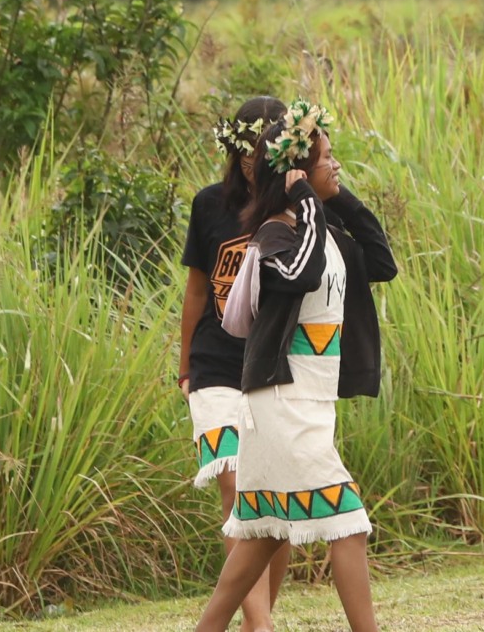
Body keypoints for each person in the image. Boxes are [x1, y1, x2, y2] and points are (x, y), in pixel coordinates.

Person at [193, 101, 396, 632]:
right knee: (347, 519)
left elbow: (381, 261)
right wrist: (305, 197)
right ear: (297, 174)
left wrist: (334, 198)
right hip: (280, 403)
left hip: (310, 400)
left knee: (260, 534)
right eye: (326, 158)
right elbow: (302, 276)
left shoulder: (322, 233)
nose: (336, 165)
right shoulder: (276, 236)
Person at [179, 95, 291, 632]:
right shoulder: (208, 205)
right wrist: (184, 367)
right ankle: (263, 627)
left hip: (273, 369)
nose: (256, 160)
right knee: (233, 484)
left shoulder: (297, 206)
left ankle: (255, 622)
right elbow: (198, 290)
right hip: (215, 368)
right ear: (236, 149)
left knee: (275, 505)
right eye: (249, 149)